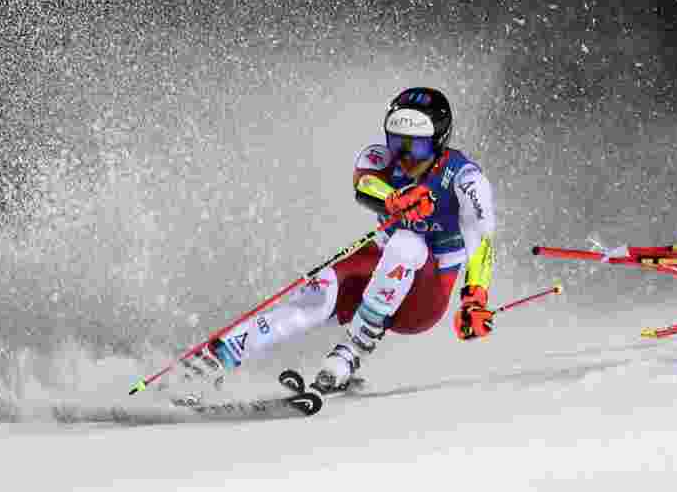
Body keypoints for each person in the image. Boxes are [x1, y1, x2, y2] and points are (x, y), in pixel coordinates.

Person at [193, 87, 498, 393]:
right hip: (379, 267)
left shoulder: (465, 179)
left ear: (438, 141)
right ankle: (219, 356)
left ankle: (352, 352)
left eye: (415, 147)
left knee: (408, 243)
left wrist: (475, 299)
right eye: (397, 143)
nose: (404, 157)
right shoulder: (379, 158)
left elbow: (481, 238)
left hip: (423, 298)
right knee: (318, 292)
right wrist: (394, 198)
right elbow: (364, 183)